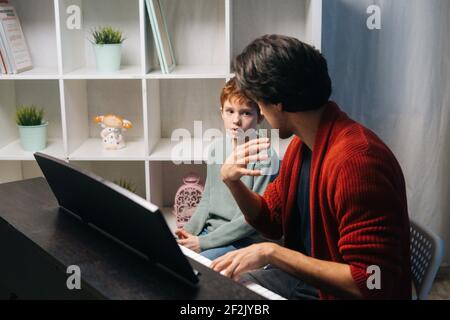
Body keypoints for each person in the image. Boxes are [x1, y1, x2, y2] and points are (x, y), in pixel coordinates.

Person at [210, 34, 411, 300]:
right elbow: (271, 221)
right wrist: (232, 182)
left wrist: (272, 253)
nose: (259, 111)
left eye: (258, 102)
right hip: (305, 284)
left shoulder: (357, 163)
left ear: (278, 103)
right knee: (218, 287)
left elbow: (373, 282)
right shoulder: (302, 146)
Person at [176, 78, 279, 261]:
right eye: (230, 111)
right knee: (174, 256)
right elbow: (207, 198)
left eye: (246, 113)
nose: (236, 121)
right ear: (221, 112)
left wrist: (203, 243)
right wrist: (188, 232)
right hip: (211, 233)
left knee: (200, 267)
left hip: (244, 240)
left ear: (260, 116)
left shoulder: (265, 157)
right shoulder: (217, 148)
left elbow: (253, 221)